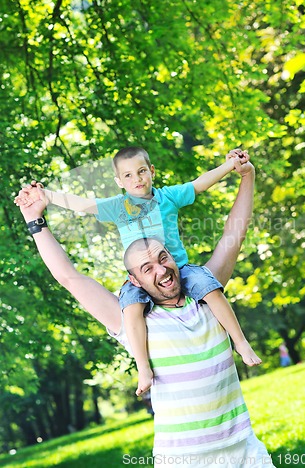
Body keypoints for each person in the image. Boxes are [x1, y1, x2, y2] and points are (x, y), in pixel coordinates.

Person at [16, 159, 275, 466]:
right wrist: (36, 223)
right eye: (147, 268)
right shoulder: (132, 319)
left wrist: (248, 176)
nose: (161, 269)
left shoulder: (207, 295)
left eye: (164, 258)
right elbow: (70, 278)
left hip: (244, 453)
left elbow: (235, 233)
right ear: (134, 281)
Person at [15, 147, 261, 395]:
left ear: (152, 171)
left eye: (142, 171)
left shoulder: (168, 197)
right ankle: (143, 367)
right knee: (131, 307)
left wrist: (233, 166)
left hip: (182, 269)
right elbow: (83, 205)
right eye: (129, 176)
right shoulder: (118, 207)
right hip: (138, 284)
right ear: (119, 182)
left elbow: (200, 185)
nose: (137, 179)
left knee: (210, 288)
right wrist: (45, 195)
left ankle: (240, 342)